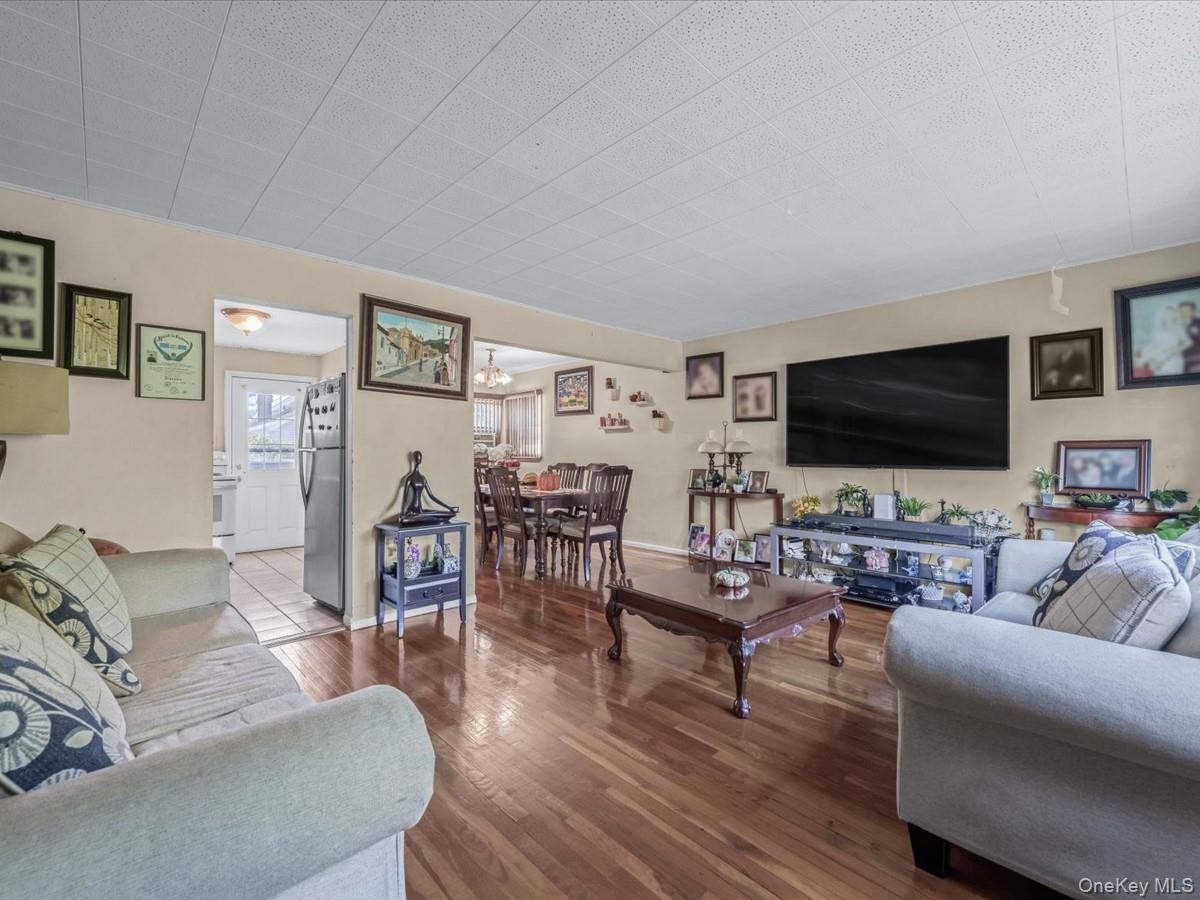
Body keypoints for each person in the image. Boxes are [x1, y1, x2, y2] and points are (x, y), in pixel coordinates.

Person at [1181, 301, 1200, 374]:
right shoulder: (1177, 323)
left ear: (1193, 311)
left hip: (1195, 359)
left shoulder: (1198, 323)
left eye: (1185, 311)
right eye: (1181, 311)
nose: (1183, 313)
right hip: (1182, 359)